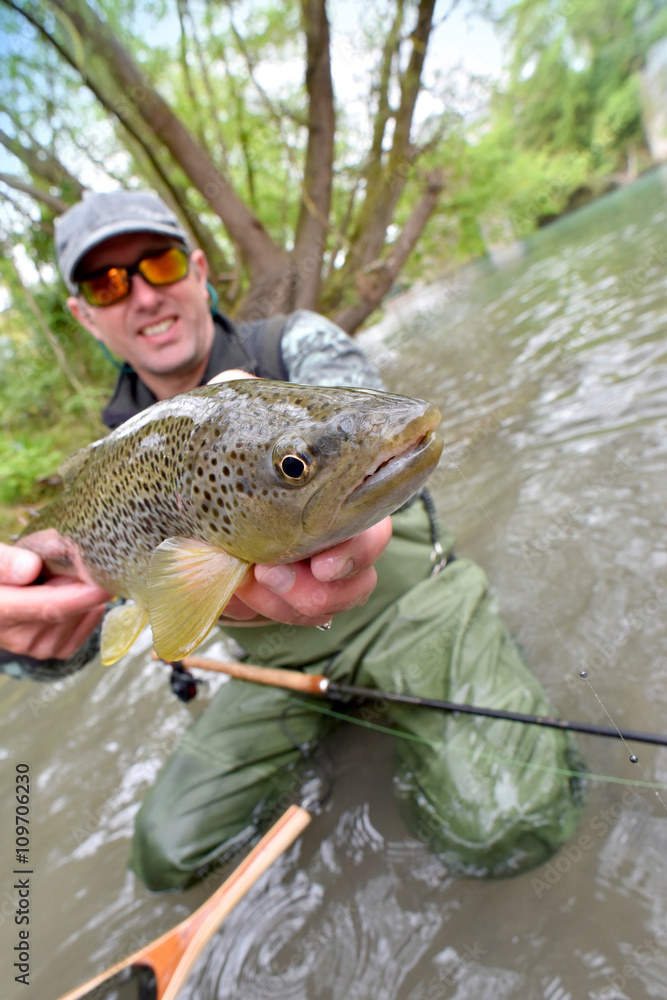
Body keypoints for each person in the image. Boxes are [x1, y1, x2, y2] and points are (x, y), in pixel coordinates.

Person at [0, 191, 584, 891]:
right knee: (164, 856)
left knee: (507, 826)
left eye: (157, 264)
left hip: (408, 612)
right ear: (85, 315)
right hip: (281, 670)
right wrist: (21, 634)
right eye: (109, 283)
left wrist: (316, 479)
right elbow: (89, 629)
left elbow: (364, 428)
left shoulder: (297, 348)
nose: (144, 296)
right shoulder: (104, 458)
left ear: (197, 269)